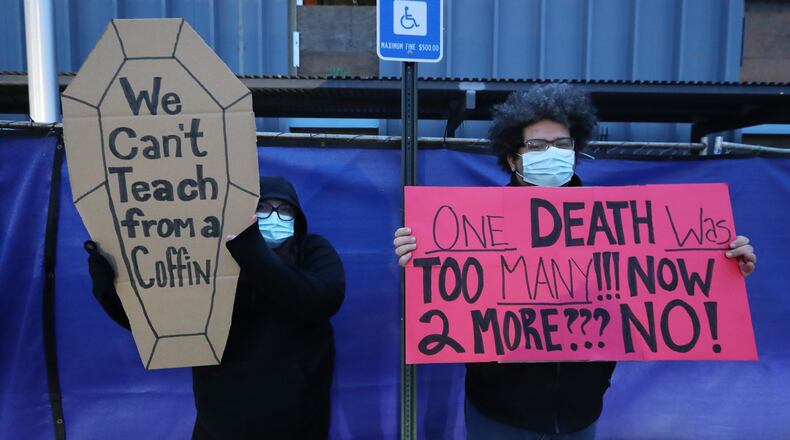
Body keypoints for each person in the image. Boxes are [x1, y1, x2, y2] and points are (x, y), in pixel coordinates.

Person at [393, 84, 757, 439]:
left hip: (579, 411)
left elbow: (655, 284)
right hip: (498, 412)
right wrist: (420, 255)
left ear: (575, 149)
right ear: (512, 156)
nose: (551, 152)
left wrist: (721, 263)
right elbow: (453, 298)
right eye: (536, 145)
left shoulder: (619, 226)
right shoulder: (474, 229)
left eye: (562, 144)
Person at [87, 176, 345, 439]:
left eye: (285, 209)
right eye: (264, 208)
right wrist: (106, 284)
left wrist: (253, 254)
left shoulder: (312, 249)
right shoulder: (212, 258)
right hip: (221, 423)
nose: (274, 217)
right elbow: (160, 325)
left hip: (298, 423)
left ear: (297, 217)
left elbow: (323, 299)